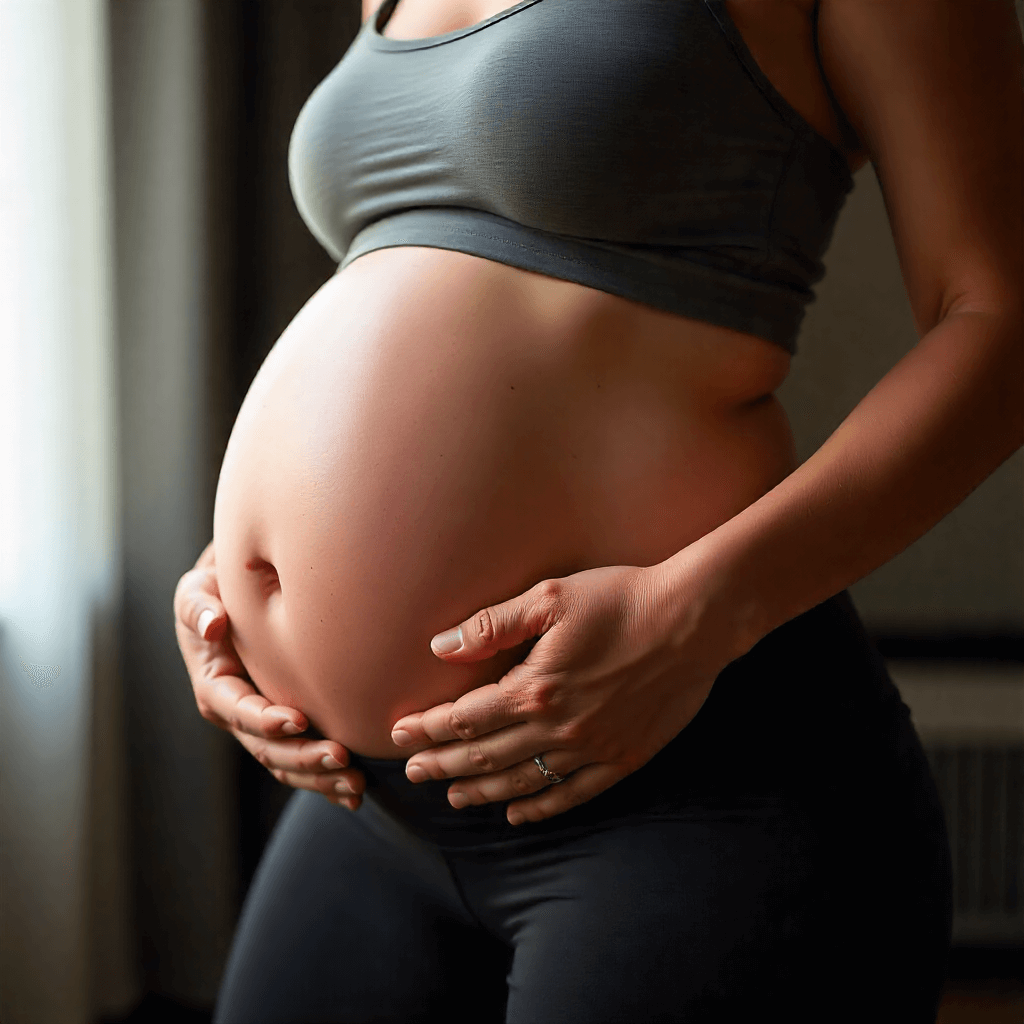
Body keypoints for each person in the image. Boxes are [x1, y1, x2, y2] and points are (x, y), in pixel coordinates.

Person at [173, 1, 1022, 1021]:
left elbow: (1001, 322)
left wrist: (694, 613)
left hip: (690, 781)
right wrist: (233, 582)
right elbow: (422, 293)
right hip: (369, 803)